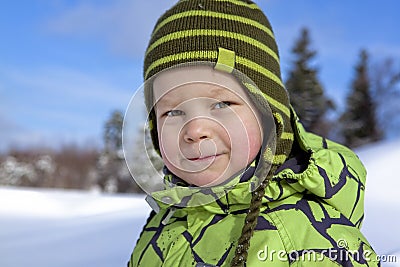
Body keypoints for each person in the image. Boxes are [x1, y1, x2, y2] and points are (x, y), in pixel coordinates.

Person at [126, 0, 379, 266]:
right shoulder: (166, 219)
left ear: (269, 115)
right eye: (173, 112)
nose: (195, 130)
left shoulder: (310, 246)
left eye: (222, 104)